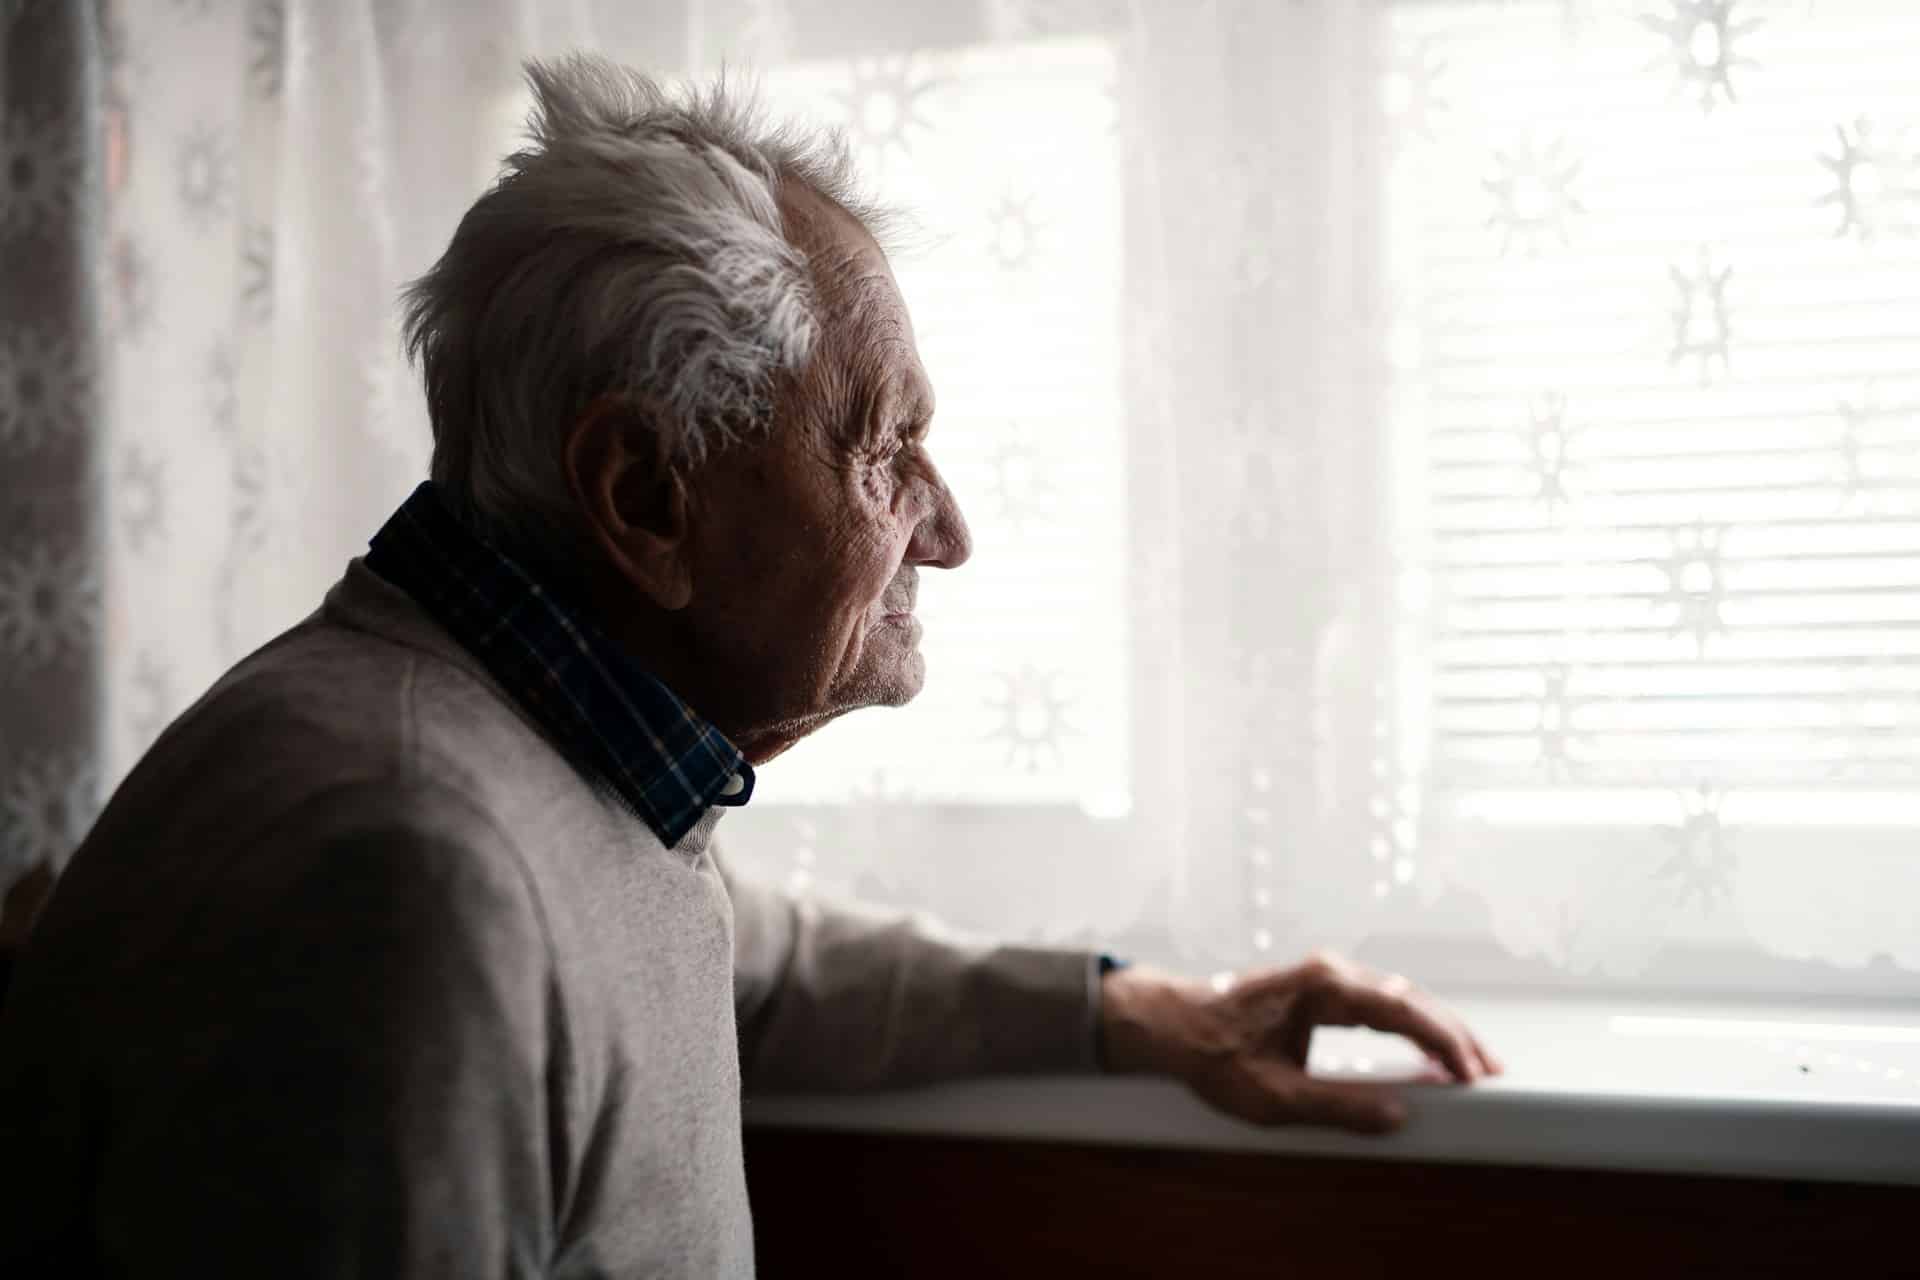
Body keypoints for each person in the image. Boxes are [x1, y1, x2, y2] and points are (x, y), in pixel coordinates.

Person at [0, 54, 1499, 1276]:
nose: (950, 531)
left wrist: (1134, 1009)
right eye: (884, 450)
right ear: (647, 497)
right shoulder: (408, 882)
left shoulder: (545, 763)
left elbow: (738, 951)